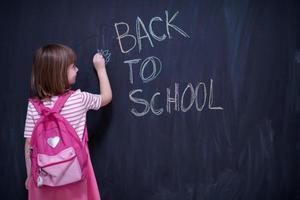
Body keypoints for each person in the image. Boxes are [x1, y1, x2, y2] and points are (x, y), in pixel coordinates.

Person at [24, 43, 112, 200]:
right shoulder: (79, 98)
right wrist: (101, 69)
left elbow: (29, 144)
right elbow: (106, 97)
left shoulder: (33, 106)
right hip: (75, 173)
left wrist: (30, 175)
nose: (77, 69)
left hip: (44, 177)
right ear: (58, 73)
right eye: (73, 66)